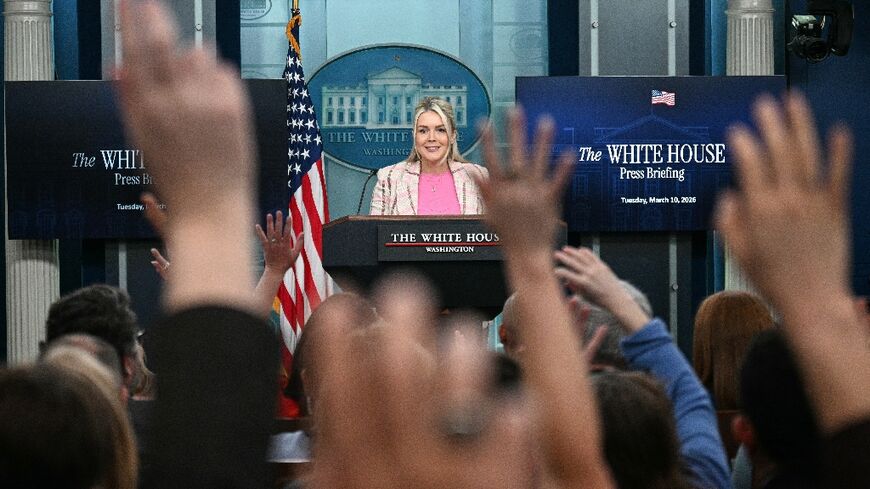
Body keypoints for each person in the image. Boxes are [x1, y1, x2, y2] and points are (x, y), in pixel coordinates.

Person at [369, 97, 488, 215]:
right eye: (423, 131)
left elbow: (495, 230)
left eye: (440, 130)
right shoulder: (389, 178)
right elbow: (374, 231)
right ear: (415, 136)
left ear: (452, 136)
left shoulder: (479, 175)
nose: (431, 138)